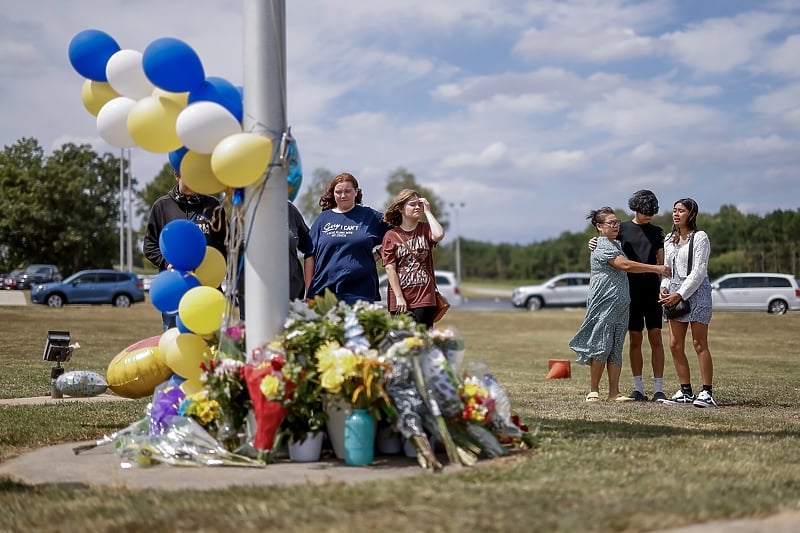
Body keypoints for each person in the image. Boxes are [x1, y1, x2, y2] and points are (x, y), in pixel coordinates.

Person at [570, 207, 670, 402]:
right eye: (611, 223)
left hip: (620, 304)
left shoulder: (615, 244)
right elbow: (625, 265)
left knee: (615, 347)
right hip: (605, 302)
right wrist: (657, 268)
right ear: (599, 227)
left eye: (617, 222)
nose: (616, 226)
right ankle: (594, 390)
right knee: (602, 344)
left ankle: (614, 392)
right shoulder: (602, 244)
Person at [143, 169, 227, 331]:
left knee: (211, 338)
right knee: (175, 337)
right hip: (175, 287)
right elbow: (149, 245)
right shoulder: (162, 206)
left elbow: (225, 244)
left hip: (207, 288)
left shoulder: (213, 206)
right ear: (177, 175)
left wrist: (217, 268)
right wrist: (166, 263)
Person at [658, 198, 716, 407]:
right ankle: (685, 391)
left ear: (691, 214)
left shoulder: (700, 238)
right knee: (674, 344)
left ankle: (707, 393)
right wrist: (664, 286)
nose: (676, 214)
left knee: (699, 343)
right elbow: (667, 269)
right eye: (674, 210)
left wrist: (680, 294)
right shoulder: (669, 240)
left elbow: (699, 271)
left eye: (681, 210)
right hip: (674, 293)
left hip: (697, 292)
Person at [304, 173, 391, 304]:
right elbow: (309, 256)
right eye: (338, 192)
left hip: (360, 290)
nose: (343, 195)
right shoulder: (323, 219)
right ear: (333, 193)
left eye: (348, 191)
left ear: (356, 192)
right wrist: (309, 291)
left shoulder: (370, 216)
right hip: (324, 292)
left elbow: (396, 234)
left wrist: (379, 254)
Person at [381, 189, 445, 328]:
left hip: (424, 297)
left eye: (419, 204)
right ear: (401, 209)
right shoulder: (391, 236)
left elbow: (439, 235)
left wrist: (427, 211)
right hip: (400, 298)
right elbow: (390, 268)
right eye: (412, 204)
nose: (417, 207)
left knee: (423, 342)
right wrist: (399, 297)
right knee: (402, 342)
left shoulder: (425, 229)